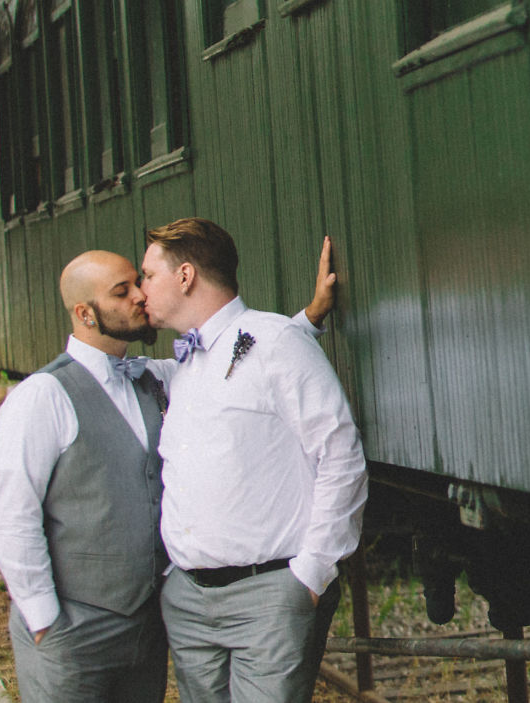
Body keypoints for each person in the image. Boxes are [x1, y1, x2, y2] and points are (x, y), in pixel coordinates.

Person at [0, 240, 335, 702]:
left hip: (145, 625)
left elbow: (240, 362)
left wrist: (306, 321)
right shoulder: (42, 395)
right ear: (85, 314)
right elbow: (14, 516)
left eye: (138, 282)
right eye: (121, 292)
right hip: (72, 628)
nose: (140, 295)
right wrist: (42, 618)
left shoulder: (157, 376)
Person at [139, 217, 367, 703]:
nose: (141, 291)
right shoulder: (183, 364)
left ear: (185, 276)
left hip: (269, 594)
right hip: (188, 602)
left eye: (148, 276)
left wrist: (312, 573)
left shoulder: (277, 343)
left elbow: (340, 455)